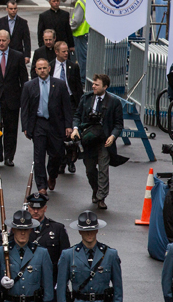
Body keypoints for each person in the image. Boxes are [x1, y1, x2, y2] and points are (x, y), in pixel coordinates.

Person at [26, 193, 70, 302]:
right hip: (30, 284)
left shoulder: (57, 229)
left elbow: (66, 258)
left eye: (39, 207)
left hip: (50, 285)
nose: (35, 211)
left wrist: (60, 283)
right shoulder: (22, 227)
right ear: (28, 208)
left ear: (45, 208)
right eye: (32, 207)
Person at [72, 74, 124, 210]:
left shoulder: (114, 102)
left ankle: (101, 197)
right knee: (90, 170)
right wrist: (75, 129)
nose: (93, 86)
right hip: (88, 140)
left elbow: (119, 124)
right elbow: (77, 115)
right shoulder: (86, 98)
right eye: (93, 84)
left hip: (104, 140)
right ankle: (96, 190)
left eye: (97, 84)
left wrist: (112, 137)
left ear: (105, 87)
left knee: (103, 169)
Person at [21, 58, 72, 194]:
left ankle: (52, 175)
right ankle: (41, 186)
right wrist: (25, 127)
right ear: (36, 70)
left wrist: (68, 125)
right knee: (38, 157)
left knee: (56, 154)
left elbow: (67, 106)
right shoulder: (29, 86)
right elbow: (25, 108)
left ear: (49, 69)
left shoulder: (60, 85)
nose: (42, 71)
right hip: (38, 123)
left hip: (56, 124)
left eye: (44, 68)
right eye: (39, 68)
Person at [0, 30, 28, 167]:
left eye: (3, 40)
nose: (1, 43)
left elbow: (24, 79)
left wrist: (23, 98)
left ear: (8, 41)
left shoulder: (17, 56)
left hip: (12, 99)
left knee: (11, 129)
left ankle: (9, 156)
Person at [50, 41, 83, 173]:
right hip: (56, 103)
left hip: (70, 102)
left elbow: (78, 87)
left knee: (71, 133)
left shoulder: (73, 67)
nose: (66, 53)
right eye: (63, 51)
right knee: (59, 134)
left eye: (67, 51)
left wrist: (81, 104)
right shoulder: (51, 66)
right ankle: (62, 161)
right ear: (56, 52)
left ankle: (71, 161)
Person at [0, 0, 31, 65]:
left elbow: (27, 40)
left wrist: (27, 55)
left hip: (18, 52)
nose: (13, 10)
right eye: (11, 9)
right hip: (3, 52)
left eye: (15, 8)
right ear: (7, 9)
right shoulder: (0, 22)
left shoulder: (23, 23)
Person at [70, 0, 89, 86]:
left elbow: (76, 20)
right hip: (86, 33)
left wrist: (71, 28)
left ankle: (82, 81)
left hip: (80, 33)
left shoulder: (81, 1)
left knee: (81, 59)